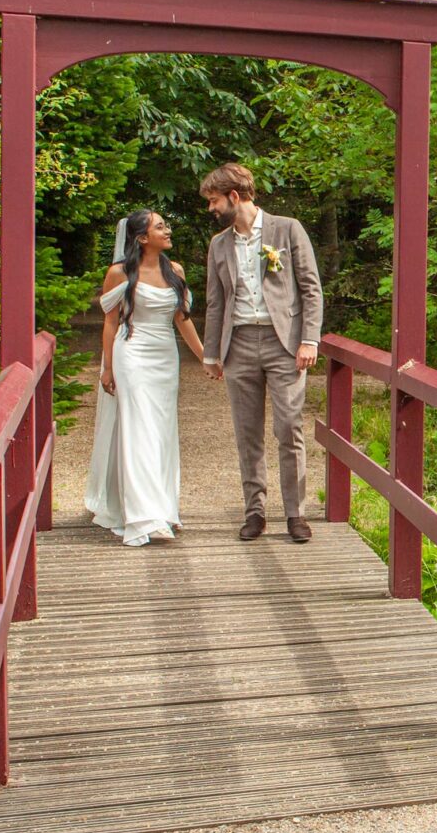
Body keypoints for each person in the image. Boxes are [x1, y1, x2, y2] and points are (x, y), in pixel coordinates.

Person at [198, 163, 325, 543]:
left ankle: (295, 514)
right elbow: (215, 300)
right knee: (246, 433)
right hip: (237, 345)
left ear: (234, 197)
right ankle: (254, 512)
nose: (211, 208)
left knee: (289, 428)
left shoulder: (287, 229)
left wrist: (309, 339)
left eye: (214, 200)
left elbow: (310, 288)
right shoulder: (219, 245)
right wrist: (211, 353)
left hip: (283, 343)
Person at [85, 210, 210, 546]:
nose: (167, 231)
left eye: (166, 225)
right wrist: (109, 367)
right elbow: (111, 323)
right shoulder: (118, 273)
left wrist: (205, 358)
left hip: (165, 356)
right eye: (160, 227)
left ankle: (165, 507)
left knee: (161, 431)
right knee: (137, 430)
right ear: (141, 238)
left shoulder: (175, 271)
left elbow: (183, 320)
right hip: (132, 353)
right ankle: (143, 516)